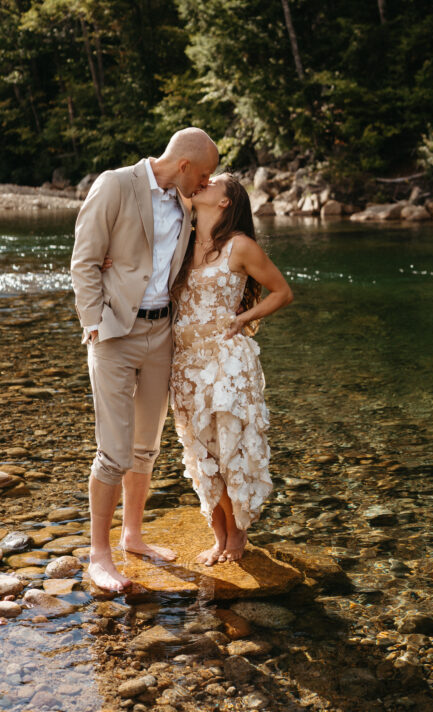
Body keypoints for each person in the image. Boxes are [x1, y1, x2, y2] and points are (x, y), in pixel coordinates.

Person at [70, 127, 219, 592]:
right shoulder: (115, 184)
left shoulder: (186, 201)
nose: (206, 184)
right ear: (184, 165)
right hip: (114, 334)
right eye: (205, 174)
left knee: (146, 448)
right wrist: (94, 322)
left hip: (162, 333)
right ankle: (100, 554)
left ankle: (133, 536)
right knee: (113, 451)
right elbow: (85, 259)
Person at [170, 173, 293, 565]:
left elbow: (283, 292)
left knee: (227, 447)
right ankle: (219, 532)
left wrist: (244, 319)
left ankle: (236, 535)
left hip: (225, 361)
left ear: (226, 202)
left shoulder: (240, 246)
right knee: (198, 449)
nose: (202, 183)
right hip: (185, 362)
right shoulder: (181, 242)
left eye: (213, 183)